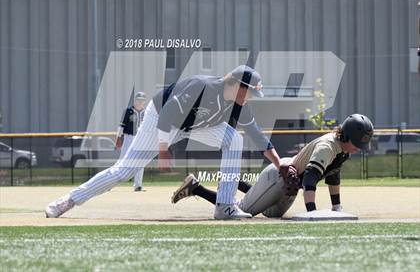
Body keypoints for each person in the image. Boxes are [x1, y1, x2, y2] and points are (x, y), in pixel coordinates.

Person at [45, 65, 291, 220]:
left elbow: (258, 136)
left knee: (234, 139)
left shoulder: (239, 106)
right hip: (161, 118)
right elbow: (168, 115)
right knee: (125, 171)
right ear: (236, 84)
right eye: (249, 91)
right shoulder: (203, 87)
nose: (250, 97)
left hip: (193, 126)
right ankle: (67, 201)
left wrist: (279, 164)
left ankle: (225, 207)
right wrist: (163, 149)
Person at [171, 114, 374, 217]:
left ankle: (232, 182)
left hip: (289, 185)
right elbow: (311, 178)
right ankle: (196, 187)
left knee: (271, 214)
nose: (358, 148)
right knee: (238, 212)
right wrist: (312, 213)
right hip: (279, 178)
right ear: (346, 135)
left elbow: (332, 176)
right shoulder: (328, 146)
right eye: (357, 143)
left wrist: (336, 207)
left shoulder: (343, 149)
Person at [115, 91, 147, 192]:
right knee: (122, 161)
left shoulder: (146, 112)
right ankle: (108, 184)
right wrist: (118, 138)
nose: (140, 102)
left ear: (144, 102)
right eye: (138, 100)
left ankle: (138, 185)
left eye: (142, 100)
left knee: (140, 162)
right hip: (129, 138)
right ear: (135, 100)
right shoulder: (128, 111)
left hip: (140, 139)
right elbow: (121, 126)